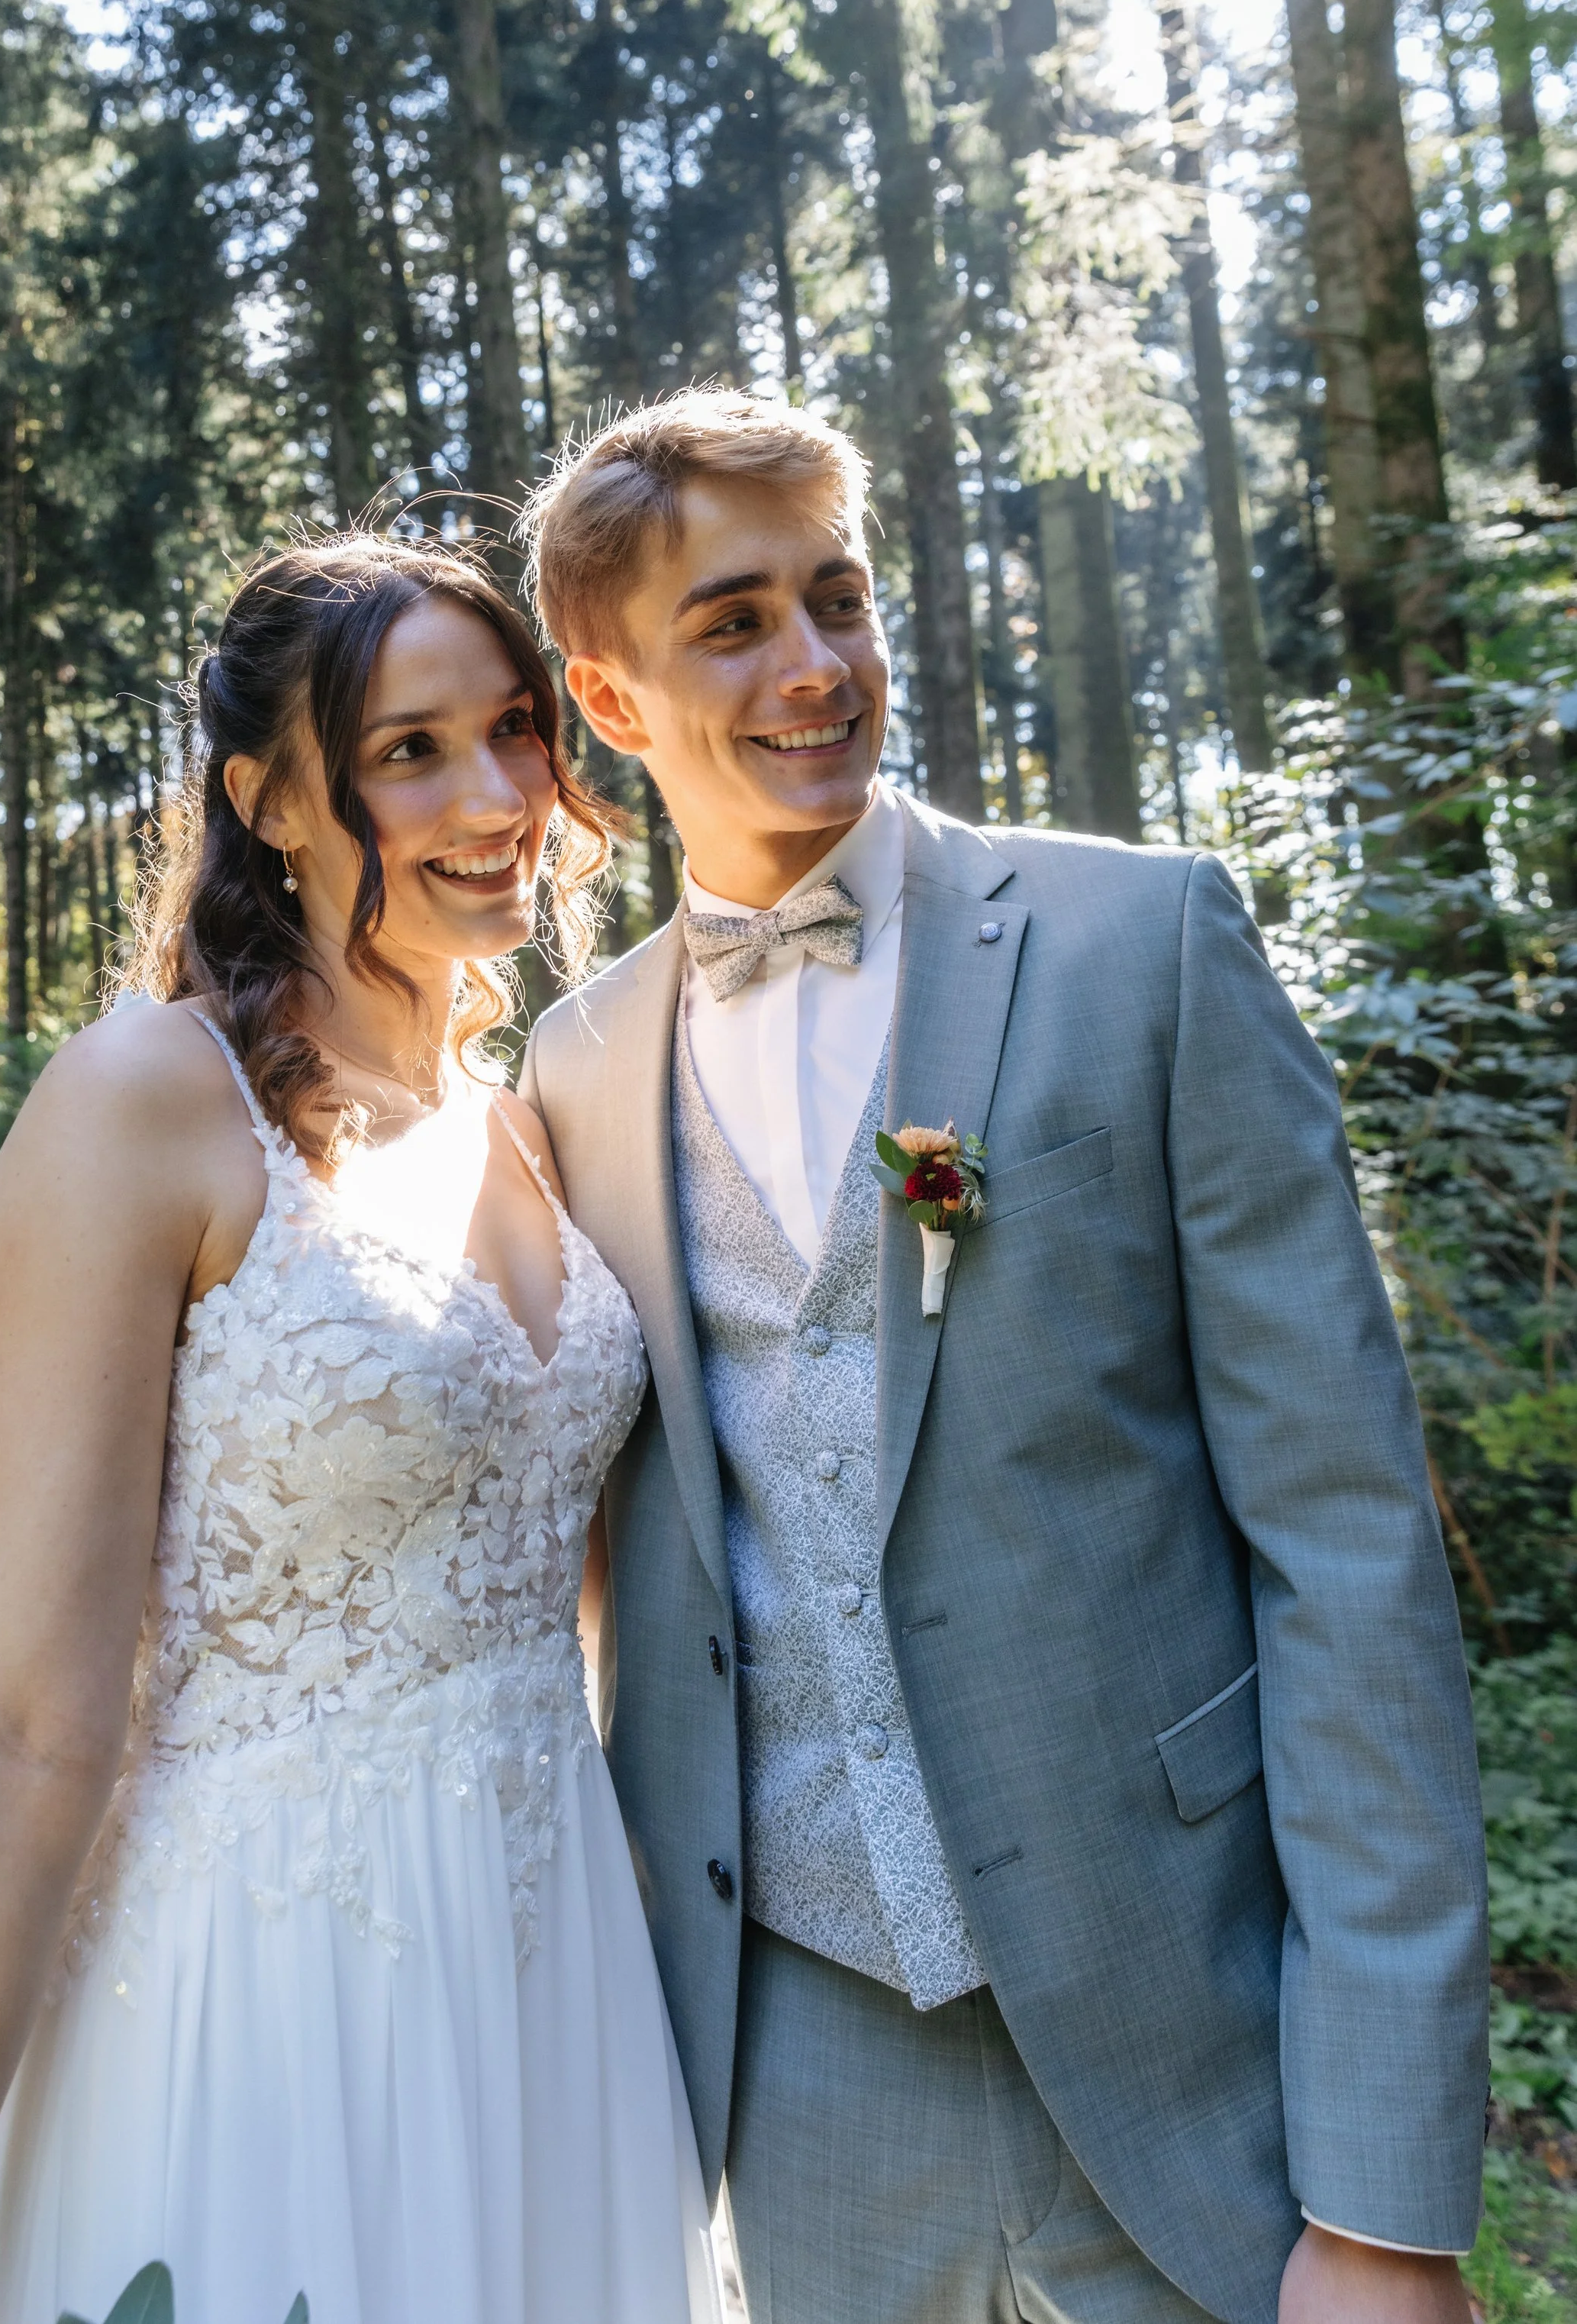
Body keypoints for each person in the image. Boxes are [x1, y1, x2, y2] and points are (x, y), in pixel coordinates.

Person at [515, 391, 1490, 2324]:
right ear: (609, 703)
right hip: (797, 2078)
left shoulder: (1147, 943)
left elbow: (1347, 1549)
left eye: (837, 598)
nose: (815, 665)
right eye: (732, 621)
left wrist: (1381, 2203)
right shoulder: (569, 1067)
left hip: (1185, 2032)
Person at [0, 534, 721, 2324]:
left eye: (518, 729)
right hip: (266, 1995)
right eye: (409, 748)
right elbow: (5, 1726)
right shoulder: (148, 1102)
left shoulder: (527, 1118)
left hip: (556, 2000)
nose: (498, 792)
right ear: (268, 799)